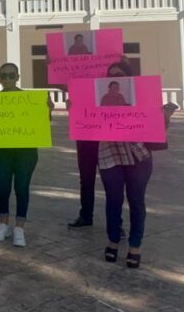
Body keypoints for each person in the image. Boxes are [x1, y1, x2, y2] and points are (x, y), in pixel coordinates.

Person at [100, 102, 176, 269]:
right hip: (109, 153)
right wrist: (74, 108)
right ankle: (113, 241)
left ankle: (135, 245)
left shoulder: (143, 95)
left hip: (139, 155)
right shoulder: (99, 96)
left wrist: (164, 117)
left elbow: (158, 128)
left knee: (136, 200)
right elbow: (83, 118)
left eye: (120, 74)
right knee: (113, 200)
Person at [0, 63, 53, 247]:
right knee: (2, 188)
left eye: (11, 75)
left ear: (17, 77)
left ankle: (19, 227)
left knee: (22, 188)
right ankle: (3, 224)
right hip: (2, 151)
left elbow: (44, 121)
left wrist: (48, 109)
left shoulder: (29, 99)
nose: (7, 79)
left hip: (26, 152)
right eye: (4, 75)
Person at [68, 63, 132, 229]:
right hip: (87, 140)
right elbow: (66, 89)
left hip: (111, 144)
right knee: (86, 179)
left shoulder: (126, 97)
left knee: (112, 183)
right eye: (110, 75)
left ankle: (116, 224)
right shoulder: (94, 92)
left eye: (118, 75)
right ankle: (86, 215)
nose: (113, 78)